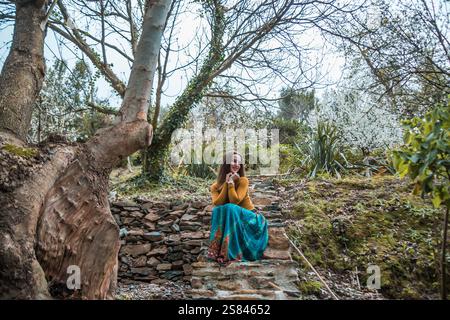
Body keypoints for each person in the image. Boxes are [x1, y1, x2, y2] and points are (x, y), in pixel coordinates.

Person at [207, 151, 269, 266]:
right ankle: (216, 251)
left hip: (251, 218)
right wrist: (226, 183)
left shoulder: (243, 180)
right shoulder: (215, 186)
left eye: (239, 163)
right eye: (234, 161)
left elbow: (235, 201)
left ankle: (230, 253)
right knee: (218, 210)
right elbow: (218, 202)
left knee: (230, 207)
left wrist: (231, 183)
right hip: (234, 215)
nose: (237, 165)